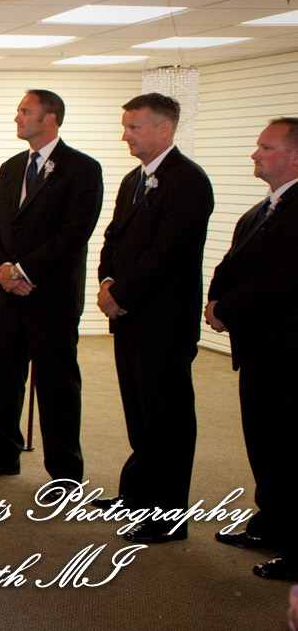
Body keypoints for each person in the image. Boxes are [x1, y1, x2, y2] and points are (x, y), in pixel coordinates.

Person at [94, 93, 213, 543]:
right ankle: (139, 496)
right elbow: (113, 240)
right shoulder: (132, 180)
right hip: (128, 315)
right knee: (139, 413)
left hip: (163, 320)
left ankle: (168, 516)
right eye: (125, 127)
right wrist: (107, 284)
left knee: (167, 417)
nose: (125, 135)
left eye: (134, 127)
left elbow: (168, 254)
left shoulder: (188, 182)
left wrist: (120, 294)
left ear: (164, 129)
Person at [0, 90, 103, 483]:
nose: (17, 117)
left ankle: (64, 473)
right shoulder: (12, 167)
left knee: (56, 384)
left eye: (25, 111)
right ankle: (3, 456)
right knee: (6, 378)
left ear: (50, 118)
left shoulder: (82, 169)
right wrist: (4, 272)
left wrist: (25, 271)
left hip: (52, 295)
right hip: (9, 294)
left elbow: (74, 232)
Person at [206, 117, 298, 582]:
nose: (255, 154)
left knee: (289, 449)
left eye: (265, 147)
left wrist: (229, 308)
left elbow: (283, 281)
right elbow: (232, 264)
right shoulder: (264, 209)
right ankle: (270, 522)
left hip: (288, 355)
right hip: (260, 351)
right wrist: (216, 303)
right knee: (264, 445)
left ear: (296, 156)